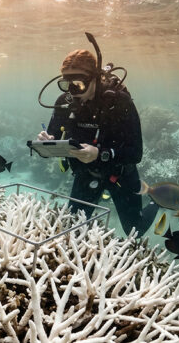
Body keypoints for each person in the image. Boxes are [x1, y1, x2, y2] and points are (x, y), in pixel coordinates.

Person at [37, 48, 158, 236]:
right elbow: (52, 135)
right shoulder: (66, 101)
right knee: (72, 230)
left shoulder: (119, 102)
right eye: (66, 84)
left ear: (95, 78)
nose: (72, 91)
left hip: (120, 174)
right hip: (85, 173)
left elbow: (136, 153)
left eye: (78, 83)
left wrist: (100, 152)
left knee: (135, 230)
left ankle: (156, 201)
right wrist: (46, 141)